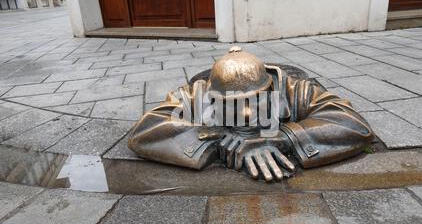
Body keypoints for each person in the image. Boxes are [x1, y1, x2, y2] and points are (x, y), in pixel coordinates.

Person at [128, 47, 374, 182]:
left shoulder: (297, 90)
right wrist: (217, 139)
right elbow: (146, 130)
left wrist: (284, 138)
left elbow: (353, 124)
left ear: (269, 89)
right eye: (232, 104)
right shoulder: (197, 93)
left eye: (254, 101)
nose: (245, 114)